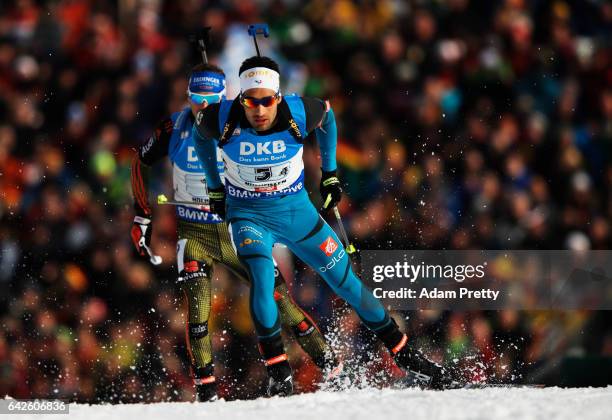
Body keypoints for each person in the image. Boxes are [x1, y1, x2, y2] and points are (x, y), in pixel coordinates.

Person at [192, 55, 454, 396]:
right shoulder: (222, 117)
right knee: (261, 276)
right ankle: (278, 370)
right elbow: (200, 137)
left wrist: (330, 174)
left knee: (346, 282)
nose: (258, 110)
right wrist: (214, 187)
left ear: (279, 98)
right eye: (250, 102)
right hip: (249, 216)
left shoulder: (299, 111)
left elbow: (328, 118)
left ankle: (404, 353)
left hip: (297, 214)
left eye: (266, 101)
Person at [130, 62, 331, 401]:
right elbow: (140, 161)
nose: (204, 106)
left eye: (212, 98)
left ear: (226, 97)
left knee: (279, 300)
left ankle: (328, 360)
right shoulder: (175, 126)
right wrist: (142, 216)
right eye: (197, 97)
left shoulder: (237, 123)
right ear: (187, 96)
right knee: (198, 310)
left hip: (235, 228)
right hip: (194, 233)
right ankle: (206, 389)